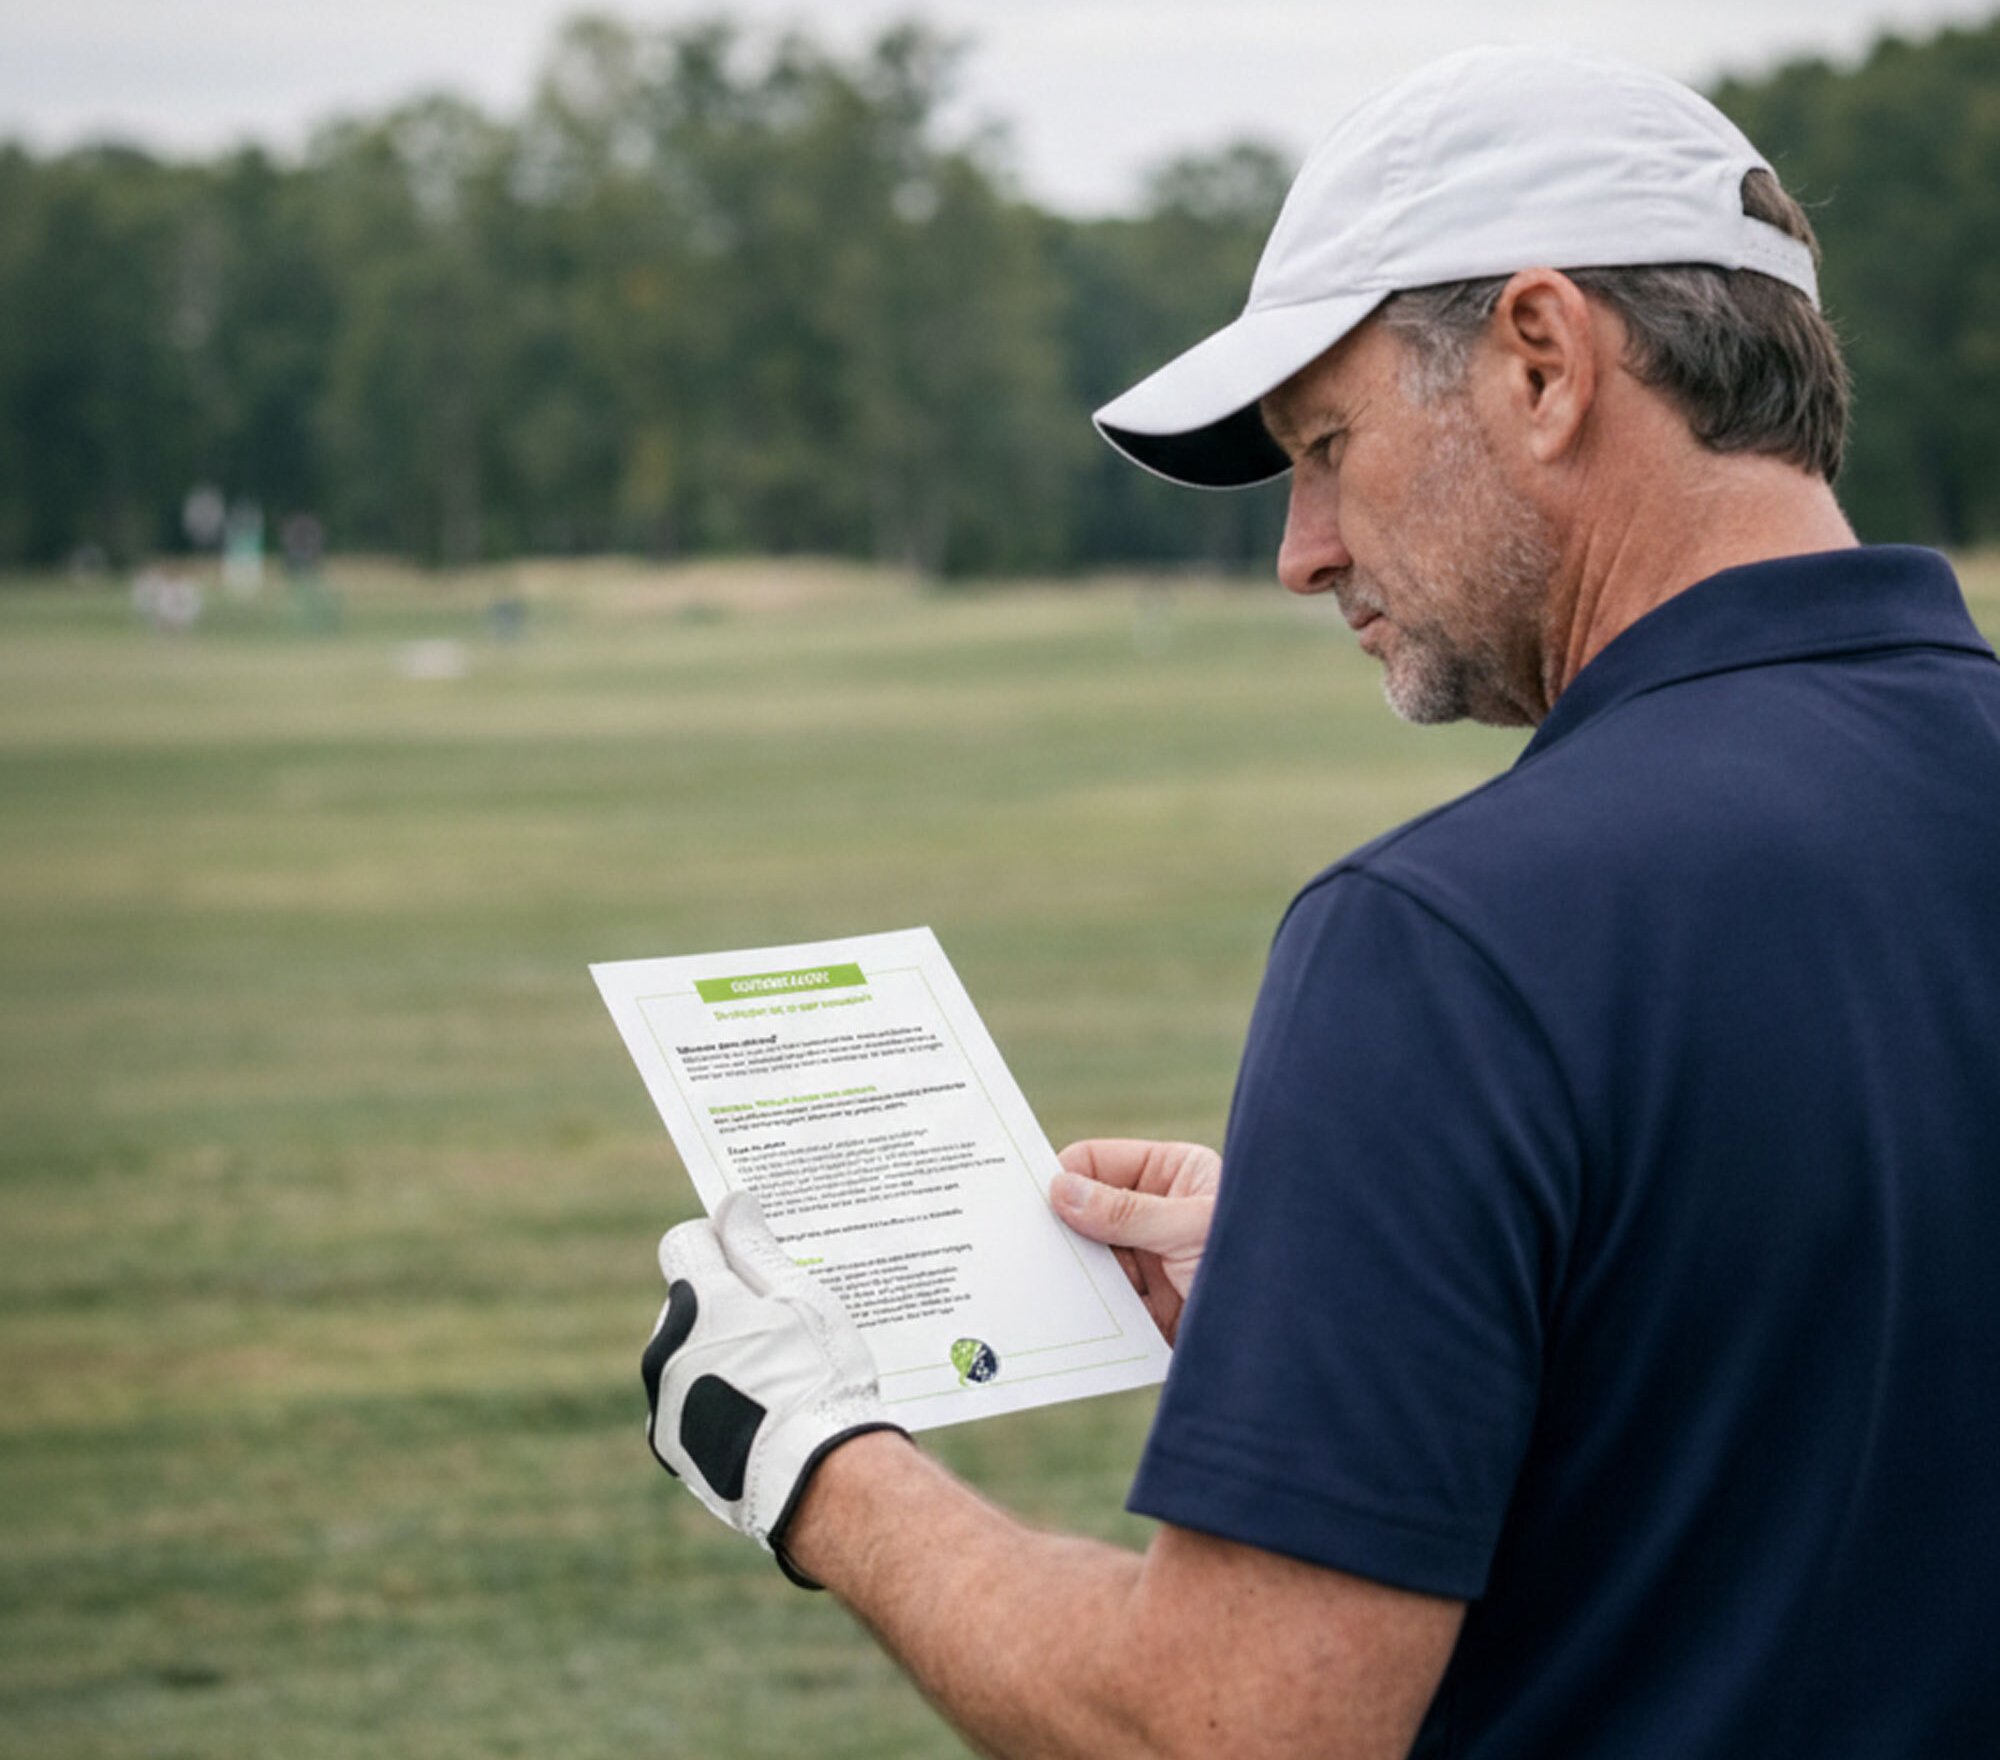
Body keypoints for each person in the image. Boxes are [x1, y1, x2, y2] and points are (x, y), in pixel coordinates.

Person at [638, 44, 2000, 1758]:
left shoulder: (1450, 943)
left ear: (1542, 361)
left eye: (1329, 446)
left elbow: (1228, 1728)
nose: (1305, 548)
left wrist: (822, 1469)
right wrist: (1385, 1283)